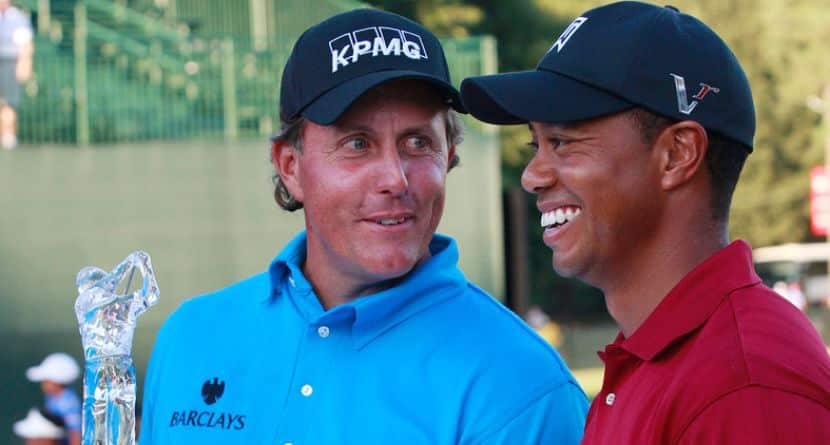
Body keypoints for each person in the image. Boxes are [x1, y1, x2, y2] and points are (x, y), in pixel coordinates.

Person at [139, 8, 587, 445]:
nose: (395, 178)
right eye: (357, 143)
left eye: (418, 142)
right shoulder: (191, 337)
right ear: (290, 166)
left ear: (448, 155)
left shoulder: (523, 387)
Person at [461, 1, 830, 443]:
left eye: (562, 141)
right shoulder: (665, 360)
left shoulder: (745, 387)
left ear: (677, 155)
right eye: (535, 144)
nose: (532, 175)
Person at [25, 353, 82, 445]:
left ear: (55, 382)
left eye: (46, 381)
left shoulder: (68, 403)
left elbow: (75, 431)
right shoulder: (52, 399)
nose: (43, 385)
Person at [0, 0, 32, 150]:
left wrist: (24, 64)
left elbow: (25, 43)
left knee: (9, 102)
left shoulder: (17, 18)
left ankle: (7, 136)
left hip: (9, 62)